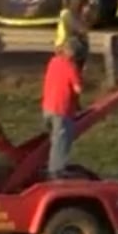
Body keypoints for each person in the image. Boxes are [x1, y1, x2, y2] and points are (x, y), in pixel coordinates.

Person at [41, 37, 85, 180]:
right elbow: (78, 89)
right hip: (61, 109)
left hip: (47, 107)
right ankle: (55, 172)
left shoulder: (53, 62)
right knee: (62, 141)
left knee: (54, 140)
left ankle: (50, 166)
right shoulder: (70, 66)